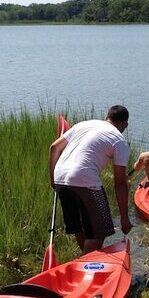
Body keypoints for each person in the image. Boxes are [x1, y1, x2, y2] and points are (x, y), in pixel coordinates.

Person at [49, 105, 133, 254]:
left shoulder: (83, 125)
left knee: (79, 227)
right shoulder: (119, 140)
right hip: (84, 179)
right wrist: (124, 218)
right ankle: (86, 263)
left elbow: (54, 147)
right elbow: (120, 183)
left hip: (60, 177)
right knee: (99, 232)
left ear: (107, 117)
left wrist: (53, 181)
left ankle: (84, 258)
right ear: (124, 124)